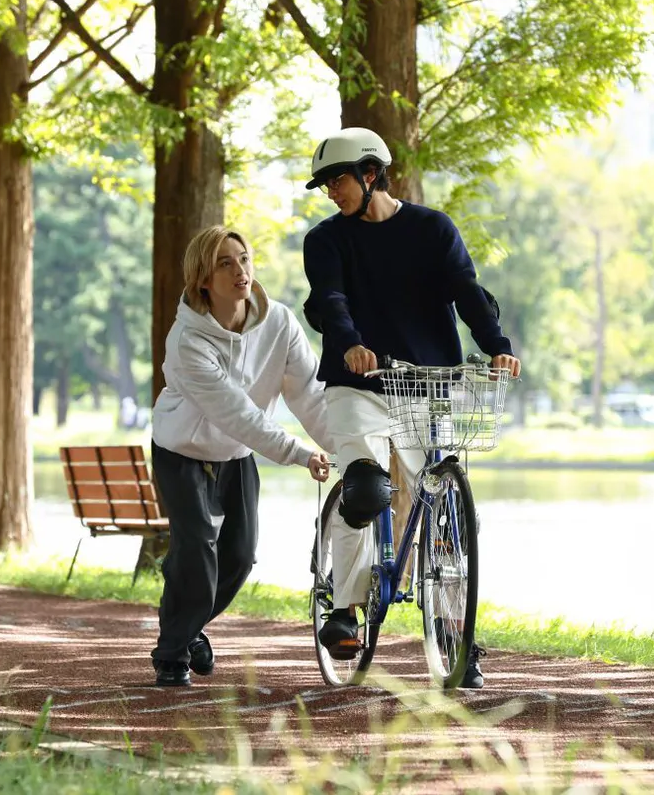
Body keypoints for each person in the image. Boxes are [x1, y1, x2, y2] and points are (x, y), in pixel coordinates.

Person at [301, 126, 521, 689]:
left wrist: (498, 346)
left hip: (425, 383)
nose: (331, 192)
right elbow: (330, 299)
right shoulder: (326, 239)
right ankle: (346, 610)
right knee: (368, 486)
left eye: (338, 179)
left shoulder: (432, 230)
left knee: (445, 503)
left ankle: (458, 637)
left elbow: (467, 291)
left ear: (371, 173)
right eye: (325, 183)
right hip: (357, 384)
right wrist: (348, 341)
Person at [150, 225, 332, 687]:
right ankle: (172, 654)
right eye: (225, 263)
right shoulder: (187, 341)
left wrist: (346, 446)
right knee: (195, 551)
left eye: (244, 259)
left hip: (237, 456)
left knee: (241, 555)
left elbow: (309, 394)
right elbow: (239, 414)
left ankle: (187, 628)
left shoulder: (280, 324)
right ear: (203, 280)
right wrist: (298, 453)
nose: (240, 270)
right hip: (182, 452)